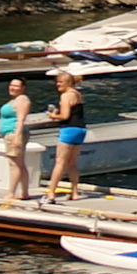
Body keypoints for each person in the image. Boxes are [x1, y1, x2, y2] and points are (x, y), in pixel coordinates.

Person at [45, 68, 88, 199]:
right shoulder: (77, 94)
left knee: (60, 162)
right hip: (81, 130)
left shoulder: (65, 96)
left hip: (69, 129)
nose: (57, 84)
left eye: (60, 82)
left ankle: (51, 192)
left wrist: (53, 116)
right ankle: (74, 192)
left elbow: (65, 116)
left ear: (68, 83)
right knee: (72, 163)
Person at [0, 77, 31, 202]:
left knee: (14, 164)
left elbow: (21, 119)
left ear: (23, 88)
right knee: (19, 164)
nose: (12, 88)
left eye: (16, 86)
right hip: (11, 134)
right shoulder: (15, 100)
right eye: (11, 85)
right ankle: (25, 192)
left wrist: (17, 137)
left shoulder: (22, 99)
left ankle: (11, 193)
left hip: (14, 134)